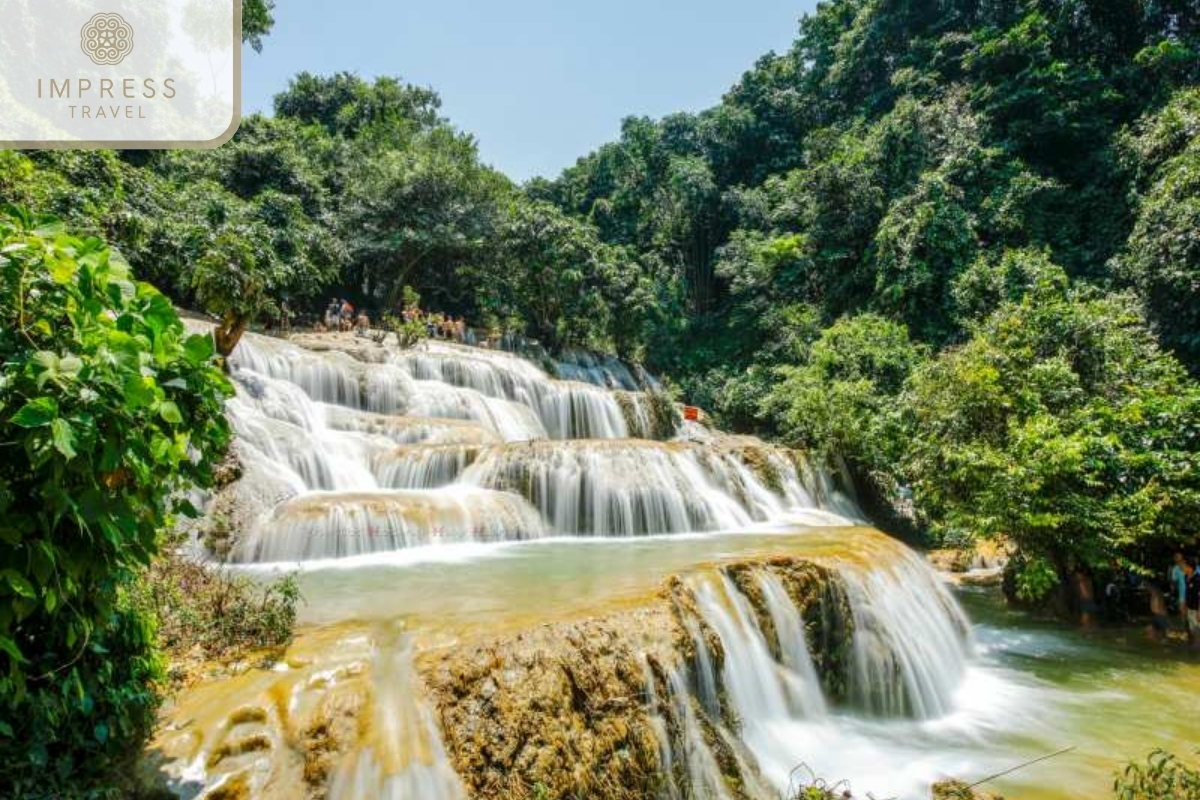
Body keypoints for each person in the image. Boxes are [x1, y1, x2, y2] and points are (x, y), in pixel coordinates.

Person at [1170, 551, 1188, 624]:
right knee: (1182, 611)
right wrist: (1173, 587)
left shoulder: (1191, 566)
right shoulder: (1175, 569)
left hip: (1193, 592)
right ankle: (1186, 628)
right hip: (1182, 593)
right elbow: (1174, 581)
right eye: (1175, 556)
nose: (1176, 558)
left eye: (1178, 556)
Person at [1186, 558, 1200, 647]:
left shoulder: (1198, 579)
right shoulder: (1186, 577)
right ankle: (1195, 644)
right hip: (1190, 607)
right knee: (1192, 628)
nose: (1182, 568)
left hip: (1196, 608)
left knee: (1197, 628)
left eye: (1184, 566)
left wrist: (1199, 611)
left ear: (1190, 568)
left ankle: (1197, 645)